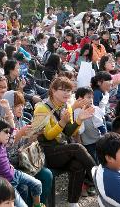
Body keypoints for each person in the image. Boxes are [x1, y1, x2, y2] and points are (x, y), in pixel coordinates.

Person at [34, 77, 96, 205]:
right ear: (53, 91)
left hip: (62, 150)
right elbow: (48, 136)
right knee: (77, 148)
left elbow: (69, 132)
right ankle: (98, 177)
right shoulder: (42, 108)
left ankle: (72, 202)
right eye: (63, 90)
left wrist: (79, 120)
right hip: (47, 152)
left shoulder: (66, 106)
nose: (67, 93)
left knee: (78, 166)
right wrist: (62, 122)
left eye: (69, 90)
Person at [0, 117, 43, 207]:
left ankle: (37, 205)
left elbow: (13, 130)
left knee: (37, 184)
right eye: (5, 132)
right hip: (7, 183)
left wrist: (8, 112)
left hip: (15, 173)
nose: (8, 135)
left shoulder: (3, 143)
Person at [74, 87, 106, 163]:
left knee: (101, 158)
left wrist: (104, 134)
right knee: (92, 160)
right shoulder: (77, 112)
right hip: (87, 142)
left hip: (98, 139)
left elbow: (101, 123)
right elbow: (78, 130)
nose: (91, 99)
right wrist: (79, 142)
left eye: (92, 97)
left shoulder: (94, 109)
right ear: (80, 99)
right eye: (88, 97)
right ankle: (93, 173)